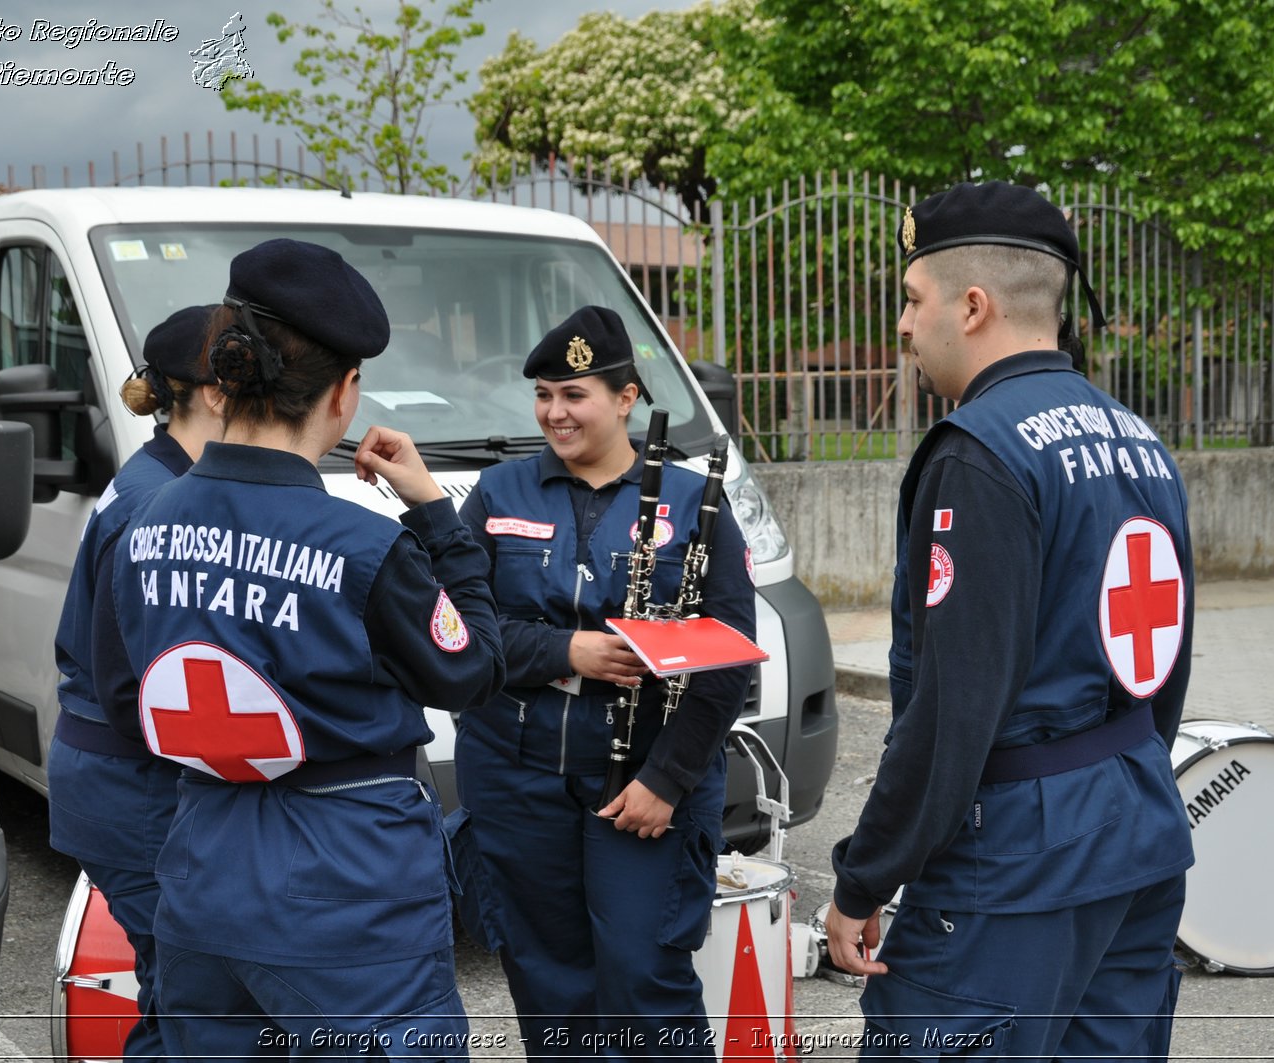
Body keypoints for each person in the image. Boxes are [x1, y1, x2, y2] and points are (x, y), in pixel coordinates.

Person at [91, 238, 505, 1059]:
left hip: (202, 870)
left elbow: (122, 695)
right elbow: (472, 668)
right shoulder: (365, 547)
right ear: (345, 392)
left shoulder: (144, 522)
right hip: (350, 890)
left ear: (229, 372)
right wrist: (434, 514)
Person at [825, 182, 1196, 1060]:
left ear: (975, 305)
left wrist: (864, 875)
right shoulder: (1140, 439)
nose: (906, 327)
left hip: (1017, 858)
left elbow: (952, 711)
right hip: (1137, 830)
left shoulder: (982, 452)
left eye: (913, 301)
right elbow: (1164, 667)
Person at [452, 305, 757, 1058]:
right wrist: (568, 651)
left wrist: (670, 777)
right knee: (548, 984)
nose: (555, 412)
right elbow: (459, 632)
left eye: (574, 394)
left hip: (642, 786)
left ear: (626, 397)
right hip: (518, 780)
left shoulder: (694, 503)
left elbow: (726, 658)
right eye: (544, 394)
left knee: (643, 978)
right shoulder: (498, 495)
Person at [47, 303, 221, 1062]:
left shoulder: (161, 475)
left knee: (180, 989)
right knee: (190, 998)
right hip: (132, 786)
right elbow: (140, 689)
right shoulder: (159, 502)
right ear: (216, 392)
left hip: (116, 778)